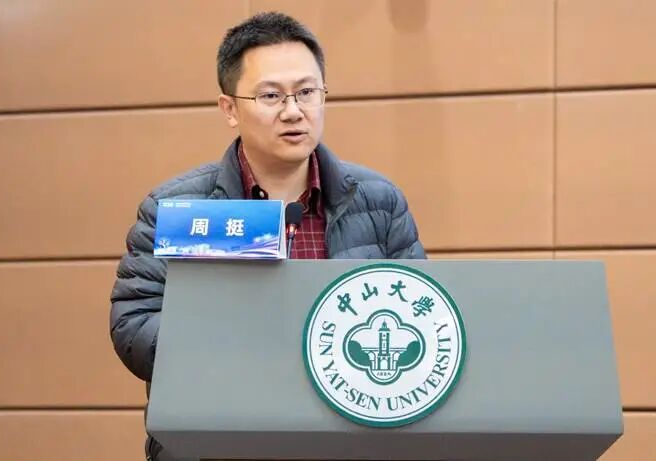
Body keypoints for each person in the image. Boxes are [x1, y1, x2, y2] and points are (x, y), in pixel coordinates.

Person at [110, 11, 425, 461]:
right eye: (271, 95)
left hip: (346, 441)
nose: (293, 111)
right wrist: (239, 340)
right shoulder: (176, 209)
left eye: (307, 92)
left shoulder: (379, 201)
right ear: (230, 109)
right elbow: (134, 324)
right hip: (219, 440)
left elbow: (417, 312)